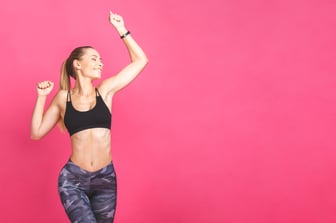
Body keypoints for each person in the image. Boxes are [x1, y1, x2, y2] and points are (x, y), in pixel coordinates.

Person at [30, 11, 148, 223]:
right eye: (94, 59)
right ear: (77, 64)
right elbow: (36, 133)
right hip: (73, 180)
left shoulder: (105, 91)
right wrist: (41, 97)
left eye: (100, 60)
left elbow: (141, 61)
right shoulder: (62, 98)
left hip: (106, 180)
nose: (100, 63)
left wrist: (121, 29)